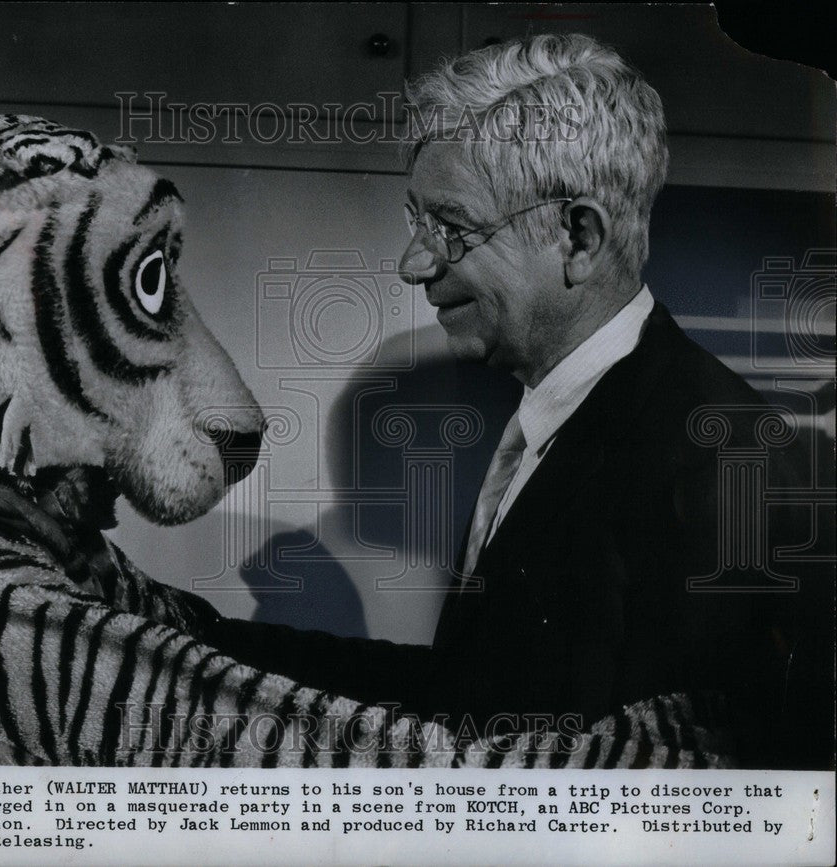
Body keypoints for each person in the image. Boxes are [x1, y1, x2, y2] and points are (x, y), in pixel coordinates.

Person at [201, 34, 830, 769]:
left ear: (578, 237)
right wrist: (187, 632)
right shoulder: (581, 414)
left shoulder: (712, 464)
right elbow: (467, 701)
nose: (414, 264)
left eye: (453, 229)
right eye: (418, 222)